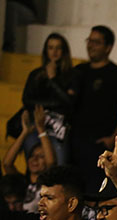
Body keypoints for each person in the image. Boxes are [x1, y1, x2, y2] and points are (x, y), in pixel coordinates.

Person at [70, 25, 117, 192]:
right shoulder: (78, 71)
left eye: (96, 42)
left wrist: (113, 138)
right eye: (89, 40)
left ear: (108, 47)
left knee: (94, 191)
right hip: (73, 142)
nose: (91, 45)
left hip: (99, 146)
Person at [21, 32, 75, 164]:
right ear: (46, 50)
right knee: (33, 165)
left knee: (58, 168)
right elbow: (26, 100)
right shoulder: (36, 74)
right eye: (50, 48)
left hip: (59, 130)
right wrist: (56, 104)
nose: (54, 52)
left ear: (64, 51)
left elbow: (69, 103)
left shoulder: (72, 75)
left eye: (58, 48)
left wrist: (52, 79)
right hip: (36, 125)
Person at [2, 105, 56, 213]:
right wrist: (24, 132)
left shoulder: (49, 183)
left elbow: (51, 162)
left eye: (41, 156)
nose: (34, 159)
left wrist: (41, 129)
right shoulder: (22, 183)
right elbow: (7, 164)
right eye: (32, 155)